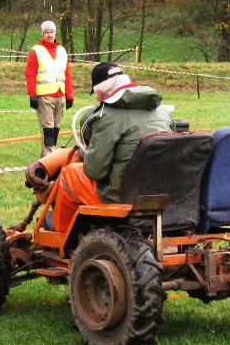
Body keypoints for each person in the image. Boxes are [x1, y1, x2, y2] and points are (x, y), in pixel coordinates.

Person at [51, 62, 173, 232]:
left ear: (101, 91)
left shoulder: (108, 114)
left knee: (70, 174)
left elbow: (95, 171)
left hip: (122, 196)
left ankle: (60, 235)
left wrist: (88, 154)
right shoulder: (161, 110)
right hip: (160, 191)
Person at [25, 20, 75, 157]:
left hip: (60, 96)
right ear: (43, 34)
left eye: (51, 32)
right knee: (48, 131)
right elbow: (30, 74)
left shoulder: (62, 51)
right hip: (44, 96)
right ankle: (49, 160)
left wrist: (69, 95)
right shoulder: (36, 51)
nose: (49, 34)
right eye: (46, 32)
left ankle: (46, 161)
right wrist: (32, 95)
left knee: (55, 130)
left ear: (55, 33)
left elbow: (67, 74)